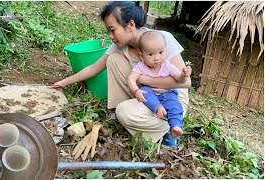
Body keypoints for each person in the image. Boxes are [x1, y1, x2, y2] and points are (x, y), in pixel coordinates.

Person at [49, 1, 190, 159]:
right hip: (146, 95)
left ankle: (170, 127)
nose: (110, 36)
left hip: (171, 99)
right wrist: (63, 82)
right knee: (113, 60)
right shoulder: (120, 45)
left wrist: (145, 79)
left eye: (112, 30)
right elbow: (93, 68)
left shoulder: (161, 39)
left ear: (130, 24)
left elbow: (185, 82)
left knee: (124, 112)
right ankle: (130, 114)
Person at [127, 31, 192, 140]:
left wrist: (183, 75)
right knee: (144, 91)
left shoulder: (167, 65)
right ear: (142, 56)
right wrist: (136, 91)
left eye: (161, 52)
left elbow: (178, 78)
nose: (157, 58)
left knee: (175, 105)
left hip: (167, 92)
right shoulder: (141, 66)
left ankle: (175, 127)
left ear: (166, 50)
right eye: (151, 54)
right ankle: (158, 108)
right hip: (150, 92)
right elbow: (131, 79)